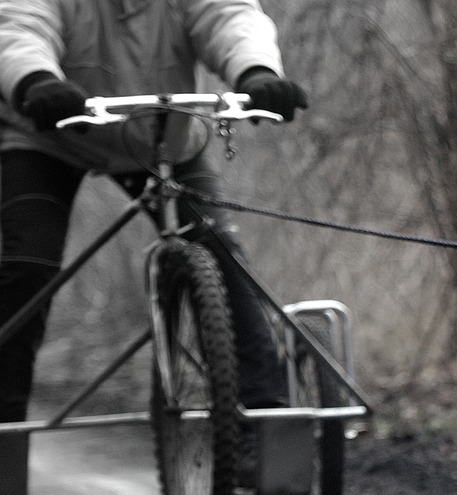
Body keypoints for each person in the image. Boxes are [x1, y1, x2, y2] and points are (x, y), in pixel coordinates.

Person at [0, 0, 308, 428]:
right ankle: (6, 431)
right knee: (28, 266)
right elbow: (20, 26)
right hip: (50, 134)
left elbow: (228, 15)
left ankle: (264, 420)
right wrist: (36, 80)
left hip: (164, 138)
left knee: (221, 254)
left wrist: (256, 71)